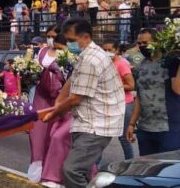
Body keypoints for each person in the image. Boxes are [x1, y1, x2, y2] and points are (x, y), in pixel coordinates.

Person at [41, 18, 125, 188]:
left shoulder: (91, 60)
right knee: (84, 172)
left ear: (86, 37)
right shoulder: (86, 55)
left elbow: (76, 98)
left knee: (72, 170)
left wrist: (55, 113)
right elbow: (72, 81)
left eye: (72, 40)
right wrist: (58, 102)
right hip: (88, 121)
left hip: (97, 124)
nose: (69, 44)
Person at [126, 29, 180, 156]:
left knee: (167, 169)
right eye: (139, 43)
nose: (142, 46)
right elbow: (139, 97)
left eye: (145, 43)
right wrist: (132, 123)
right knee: (148, 168)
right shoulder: (141, 66)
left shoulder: (171, 63)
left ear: (157, 43)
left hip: (168, 128)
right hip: (145, 128)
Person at [28, 33, 70, 187]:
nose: (50, 39)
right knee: (38, 132)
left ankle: (56, 174)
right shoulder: (42, 51)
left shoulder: (70, 56)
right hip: (42, 96)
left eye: (53, 36)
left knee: (57, 136)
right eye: (49, 36)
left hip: (62, 98)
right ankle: (39, 169)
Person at [102, 40, 135, 160]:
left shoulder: (121, 64)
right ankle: (95, 167)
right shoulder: (104, 64)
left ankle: (130, 163)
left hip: (124, 103)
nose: (107, 53)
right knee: (102, 135)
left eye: (109, 50)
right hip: (109, 103)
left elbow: (131, 85)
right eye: (104, 50)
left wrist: (114, 85)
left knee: (123, 136)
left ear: (116, 51)